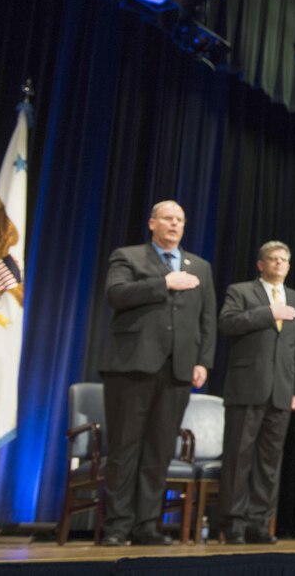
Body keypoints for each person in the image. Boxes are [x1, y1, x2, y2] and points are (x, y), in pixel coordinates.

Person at [99, 200, 216, 546]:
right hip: (132, 366)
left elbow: (206, 319)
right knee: (125, 448)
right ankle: (118, 527)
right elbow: (116, 294)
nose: (174, 224)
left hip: (178, 369)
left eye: (180, 219)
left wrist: (203, 361)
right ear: (152, 223)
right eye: (167, 218)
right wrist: (165, 282)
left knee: (159, 450)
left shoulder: (201, 267)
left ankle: (146, 525)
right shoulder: (128, 256)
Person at [217, 241, 295, 544]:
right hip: (247, 387)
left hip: (282, 390)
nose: (280, 263)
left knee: (270, 463)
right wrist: (269, 313)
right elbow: (227, 323)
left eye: (285, 259)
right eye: (273, 258)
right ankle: (233, 524)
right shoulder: (241, 292)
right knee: (238, 458)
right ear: (261, 264)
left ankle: (259, 522)